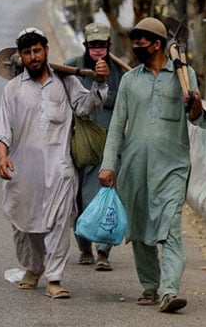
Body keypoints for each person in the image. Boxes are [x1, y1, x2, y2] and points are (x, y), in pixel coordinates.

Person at [98, 17, 206, 313]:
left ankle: (170, 289)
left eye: (140, 42)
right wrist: (108, 165)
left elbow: (197, 117)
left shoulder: (183, 76)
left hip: (172, 167)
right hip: (134, 166)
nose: (136, 47)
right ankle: (150, 284)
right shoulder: (129, 81)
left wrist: (195, 102)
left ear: (158, 44)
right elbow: (117, 126)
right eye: (134, 41)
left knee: (170, 226)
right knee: (139, 226)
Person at [0, 27, 109, 299]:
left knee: (57, 223)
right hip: (23, 172)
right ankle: (34, 267)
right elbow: (2, 129)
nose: (33, 57)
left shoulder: (66, 83)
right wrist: (2, 156)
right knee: (26, 223)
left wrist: (100, 84)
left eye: (37, 50)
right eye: (27, 52)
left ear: (46, 50)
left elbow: (86, 106)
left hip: (60, 169)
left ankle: (55, 278)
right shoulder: (12, 90)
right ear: (21, 57)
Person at [65, 22, 126, 271]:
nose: (98, 51)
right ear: (86, 46)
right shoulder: (72, 67)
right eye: (93, 46)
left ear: (109, 46)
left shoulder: (121, 72)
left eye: (102, 46)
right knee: (78, 198)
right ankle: (84, 248)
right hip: (78, 144)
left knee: (105, 196)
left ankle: (103, 250)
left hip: (109, 145)